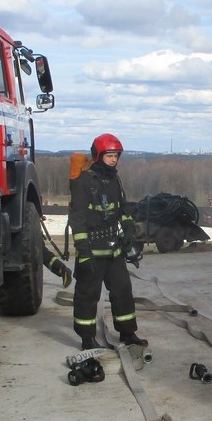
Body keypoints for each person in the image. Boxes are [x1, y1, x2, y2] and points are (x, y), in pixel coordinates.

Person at [68, 133, 146, 350]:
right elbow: (77, 220)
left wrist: (129, 228)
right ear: (98, 156)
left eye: (116, 155)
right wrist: (83, 253)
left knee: (122, 291)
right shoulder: (84, 181)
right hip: (92, 251)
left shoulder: (114, 180)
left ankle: (128, 334)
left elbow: (122, 210)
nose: (113, 159)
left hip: (114, 250)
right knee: (87, 296)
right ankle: (87, 339)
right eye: (109, 155)